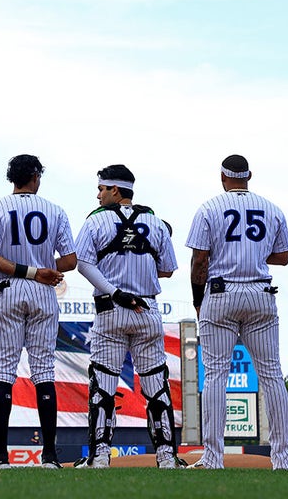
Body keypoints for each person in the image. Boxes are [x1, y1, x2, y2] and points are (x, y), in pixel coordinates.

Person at [185, 154, 288, 470]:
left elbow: (200, 260)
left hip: (221, 291)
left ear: (222, 177)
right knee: (271, 373)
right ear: (249, 176)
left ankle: (213, 458)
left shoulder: (209, 207)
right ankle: (282, 458)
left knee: (216, 374)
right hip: (261, 291)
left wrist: (197, 298)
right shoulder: (272, 208)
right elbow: (284, 256)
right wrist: (255, 254)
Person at [72, 164, 183, 469]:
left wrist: (113, 288)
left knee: (103, 384)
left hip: (112, 310)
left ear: (115, 190)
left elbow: (82, 263)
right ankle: (166, 457)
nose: (98, 195)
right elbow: (168, 268)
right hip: (147, 309)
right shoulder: (156, 221)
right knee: (156, 385)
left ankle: (100, 456)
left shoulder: (96, 221)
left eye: (101, 189)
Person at [0, 154, 76, 470]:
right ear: (35, 176)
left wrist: (30, 271)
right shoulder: (54, 210)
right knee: (44, 370)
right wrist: (42, 270)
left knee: (3, 370)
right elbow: (69, 260)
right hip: (43, 292)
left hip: (9, 288)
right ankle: (50, 457)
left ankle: (0, 454)